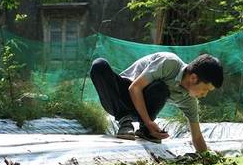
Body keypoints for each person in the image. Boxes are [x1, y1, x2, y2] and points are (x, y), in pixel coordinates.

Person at [90, 52, 223, 153]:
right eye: (205, 89)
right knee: (99, 64)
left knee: (161, 88)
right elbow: (134, 88)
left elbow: (197, 136)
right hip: (121, 98)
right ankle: (125, 121)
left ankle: (145, 131)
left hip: (142, 109)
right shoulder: (170, 63)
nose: (204, 95)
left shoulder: (189, 100)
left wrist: (207, 157)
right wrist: (149, 122)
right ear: (194, 78)